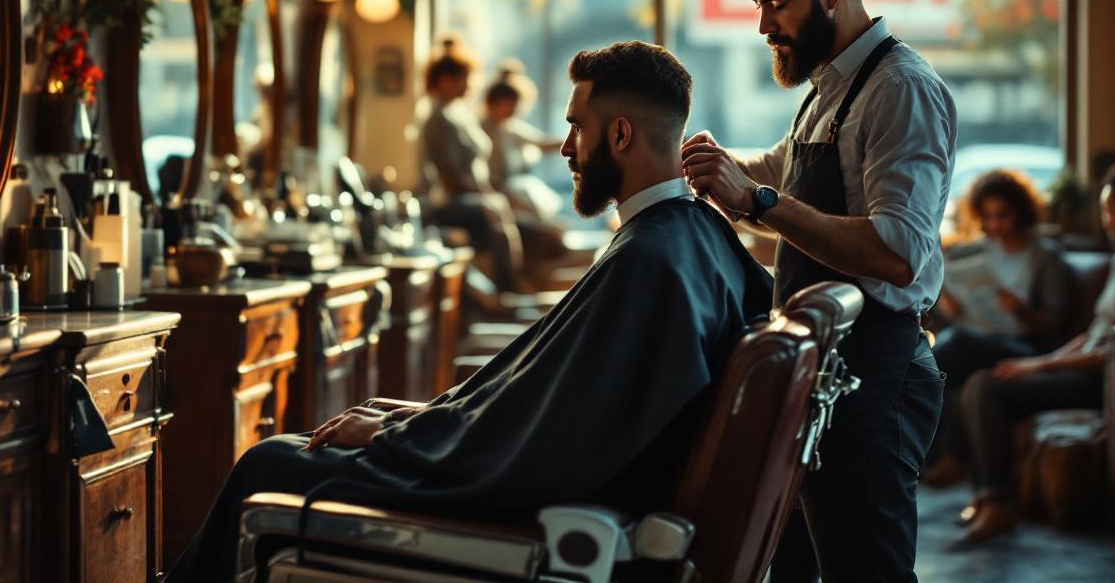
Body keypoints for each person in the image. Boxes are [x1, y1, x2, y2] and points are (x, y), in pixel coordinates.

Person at [165, 40, 775, 582]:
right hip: (555, 480)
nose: (564, 148)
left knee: (268, 462)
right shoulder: (695, 238)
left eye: (576, 129)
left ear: (620, 136)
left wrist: (398, 433)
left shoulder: (650, 262)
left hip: (544, 513)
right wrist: (429, 413)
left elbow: (549, 439)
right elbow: (552, 408)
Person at [681, 0, 955, 582]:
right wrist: (689, 165)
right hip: (823, 373)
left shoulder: (902, 91)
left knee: (867, 572)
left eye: (778, 2)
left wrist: (758, 202)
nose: (763, 23)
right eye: (758, 3)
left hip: (878, 373)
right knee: (798, 566)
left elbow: (897, 251)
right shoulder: (828, 87)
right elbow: (772, 173)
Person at [955, 155, 1115, 543]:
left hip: (1108, 381)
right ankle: (988, 499)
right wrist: (1041, 361)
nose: (1104, 219)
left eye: (1108, 210)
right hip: (1082, 368)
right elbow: (1095, 332)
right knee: (983, 381)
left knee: (985, 389)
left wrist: (1041, 370)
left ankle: (997, 503)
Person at [923, 170, 1073, 486]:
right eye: (987, 217)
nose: (994, 225)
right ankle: (949, 459)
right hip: (980, 340)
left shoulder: (1045, 256)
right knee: (954, 367)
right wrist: (952, 308)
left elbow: (1054, 326)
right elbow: (957, 310)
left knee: (953, 347)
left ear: (1020, 210)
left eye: (1002, 215)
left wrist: (1022, 311)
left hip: (1025, 346)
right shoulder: (977, 252)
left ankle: (943, 459)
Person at [414, 37, 524, 290]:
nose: (470, 85)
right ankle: (505, 289)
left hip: (470, 194)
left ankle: (509, 286)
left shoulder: (458, 114)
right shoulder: (437, 120)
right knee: (493, 210)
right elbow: (450, 180)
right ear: (446, 81)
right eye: (465, 78)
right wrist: (487, 196)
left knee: (505, 209)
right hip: (447, 202)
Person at [480, 59, 565, 221]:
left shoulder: (510, 127)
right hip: (497, 191)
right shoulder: (481, 129)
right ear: (496, 103)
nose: (516, 109)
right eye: (512, 104)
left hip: (511, 190)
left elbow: (543, 144)